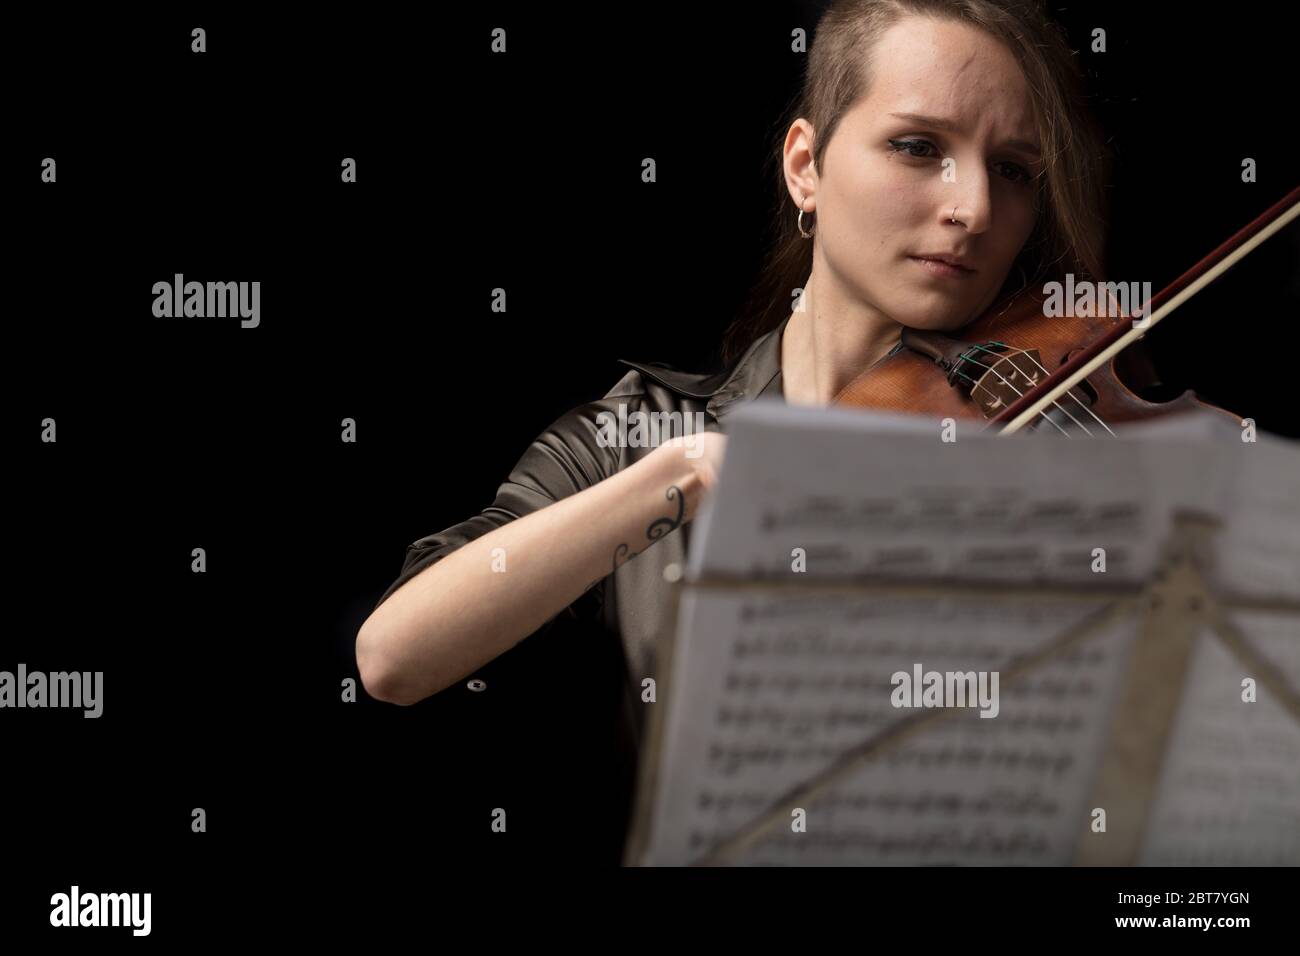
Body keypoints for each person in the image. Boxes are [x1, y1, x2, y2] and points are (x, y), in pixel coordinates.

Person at [355, 0, 1111, 822]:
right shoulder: (640, 435)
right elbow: (394, 657)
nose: (973, 208)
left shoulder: (1043, 427)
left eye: (1013, 170)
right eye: (919, 147)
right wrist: (688, 472)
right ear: (806, 167)